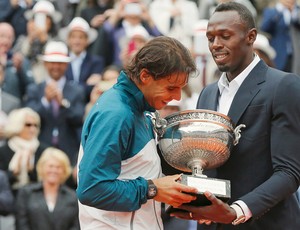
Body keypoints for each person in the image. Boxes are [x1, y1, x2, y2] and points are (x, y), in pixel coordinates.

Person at [170, 2, 300, 229]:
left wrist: (236, 211)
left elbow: (289, 172)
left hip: (264, 223)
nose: (216, 45)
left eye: (225, 36)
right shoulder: (207, 93)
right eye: (211, 38)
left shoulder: (283, 85)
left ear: (250, 37)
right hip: (211, 224)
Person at [76, 36, 199, 229]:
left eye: (181, 88)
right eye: (171, 87)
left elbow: (138, 173)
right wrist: (152, 189)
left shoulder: (141, 108)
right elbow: (91, 189)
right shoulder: (116, 113)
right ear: (145, 76)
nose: (177, 97)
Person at [25, 41, 85, 167]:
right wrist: (45, 101)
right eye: (52, 63)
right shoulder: (34, 89)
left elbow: (79, 118)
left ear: (66, 65)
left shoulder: (77, 90)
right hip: (41, 147)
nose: (56, 67)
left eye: (60, 63)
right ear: (45, 64)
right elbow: (29, 117)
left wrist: (62, 103)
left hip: (68, 150)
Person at [15, 147, 80, 230]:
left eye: (58, 167)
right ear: (42, 167)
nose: (54, 170)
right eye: (50, 166)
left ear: (64, 171)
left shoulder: (73, 197)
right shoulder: (26, 193)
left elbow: (75, 225)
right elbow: (21, 224)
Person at [0, 107, 49, 195]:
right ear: (17, 125)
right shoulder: (3, 151)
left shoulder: (44, 151)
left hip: (37, 199)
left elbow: (47, 180)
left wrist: (31, 170)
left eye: (35, 125)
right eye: (28, 125)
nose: (32, 129)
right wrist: (13, 173)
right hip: (10, 199)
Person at [260, 0, 300, 74]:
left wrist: (293, 12)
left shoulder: (297, 10)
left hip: (296, 53)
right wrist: (279, 11)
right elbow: (264, 27)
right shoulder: (272, 10)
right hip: (278, 53)